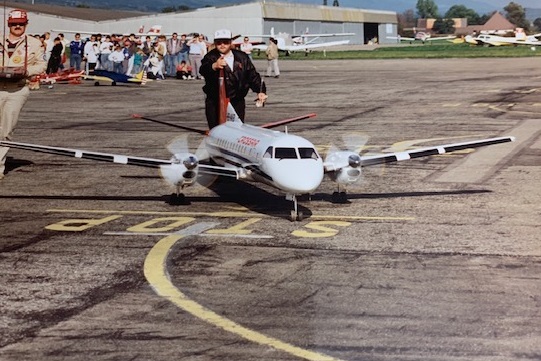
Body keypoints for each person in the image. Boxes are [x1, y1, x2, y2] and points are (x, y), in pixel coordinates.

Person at [0, 9, 46, 179]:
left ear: (26, 24)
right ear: (8, 24)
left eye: (21, 23)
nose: (17, 26)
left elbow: (42, 65)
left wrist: (26, 71)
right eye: (14, 23)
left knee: (6, 130)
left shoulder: (34, 43)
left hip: (17, 90)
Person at [200, 29, 267, 129]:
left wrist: (260, 91)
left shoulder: (242, 57)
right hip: (216, 102)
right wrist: (214, 66)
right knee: (217, 131)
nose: (222, 45)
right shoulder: (210, 57)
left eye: (226, 42)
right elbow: (203, 69)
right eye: (219, 43)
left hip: (237, 101)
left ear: (231, 42)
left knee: (237, 131)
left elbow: (252, 75)